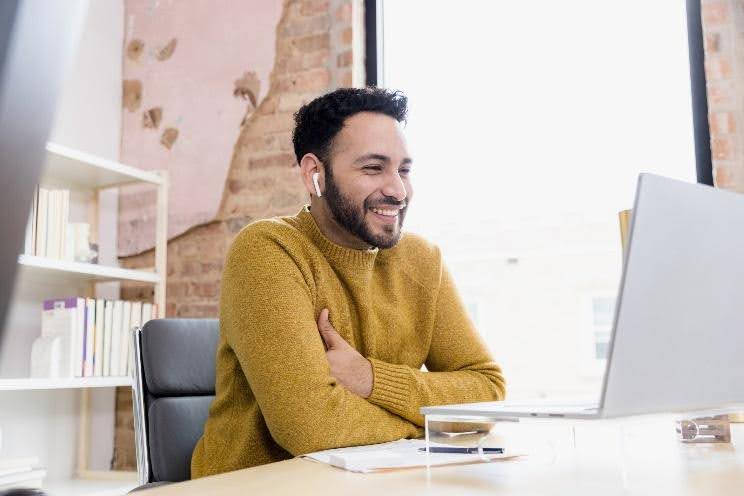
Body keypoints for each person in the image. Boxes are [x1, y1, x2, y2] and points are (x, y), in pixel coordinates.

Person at [191, 87, 506, 478]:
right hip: (255, 487)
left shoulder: (423, 261)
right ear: (314, 173)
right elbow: (312, 426)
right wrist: (429, 427)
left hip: (377, 483)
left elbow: (487, 393)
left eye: (404, 169)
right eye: (373, 168)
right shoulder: (268, 251)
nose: (397, 190)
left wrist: (368, 378)